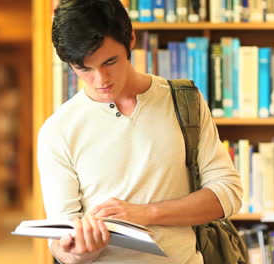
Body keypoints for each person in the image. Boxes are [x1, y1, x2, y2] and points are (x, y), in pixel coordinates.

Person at [37, 0, 243, 263]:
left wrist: (146, 213)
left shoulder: (183, 101)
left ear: (131, 39)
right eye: (84, 68)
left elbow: (228, 193)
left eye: (110, 61)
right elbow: (61, 243)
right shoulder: (58, 130)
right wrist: (79, 251)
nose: (101, 80)